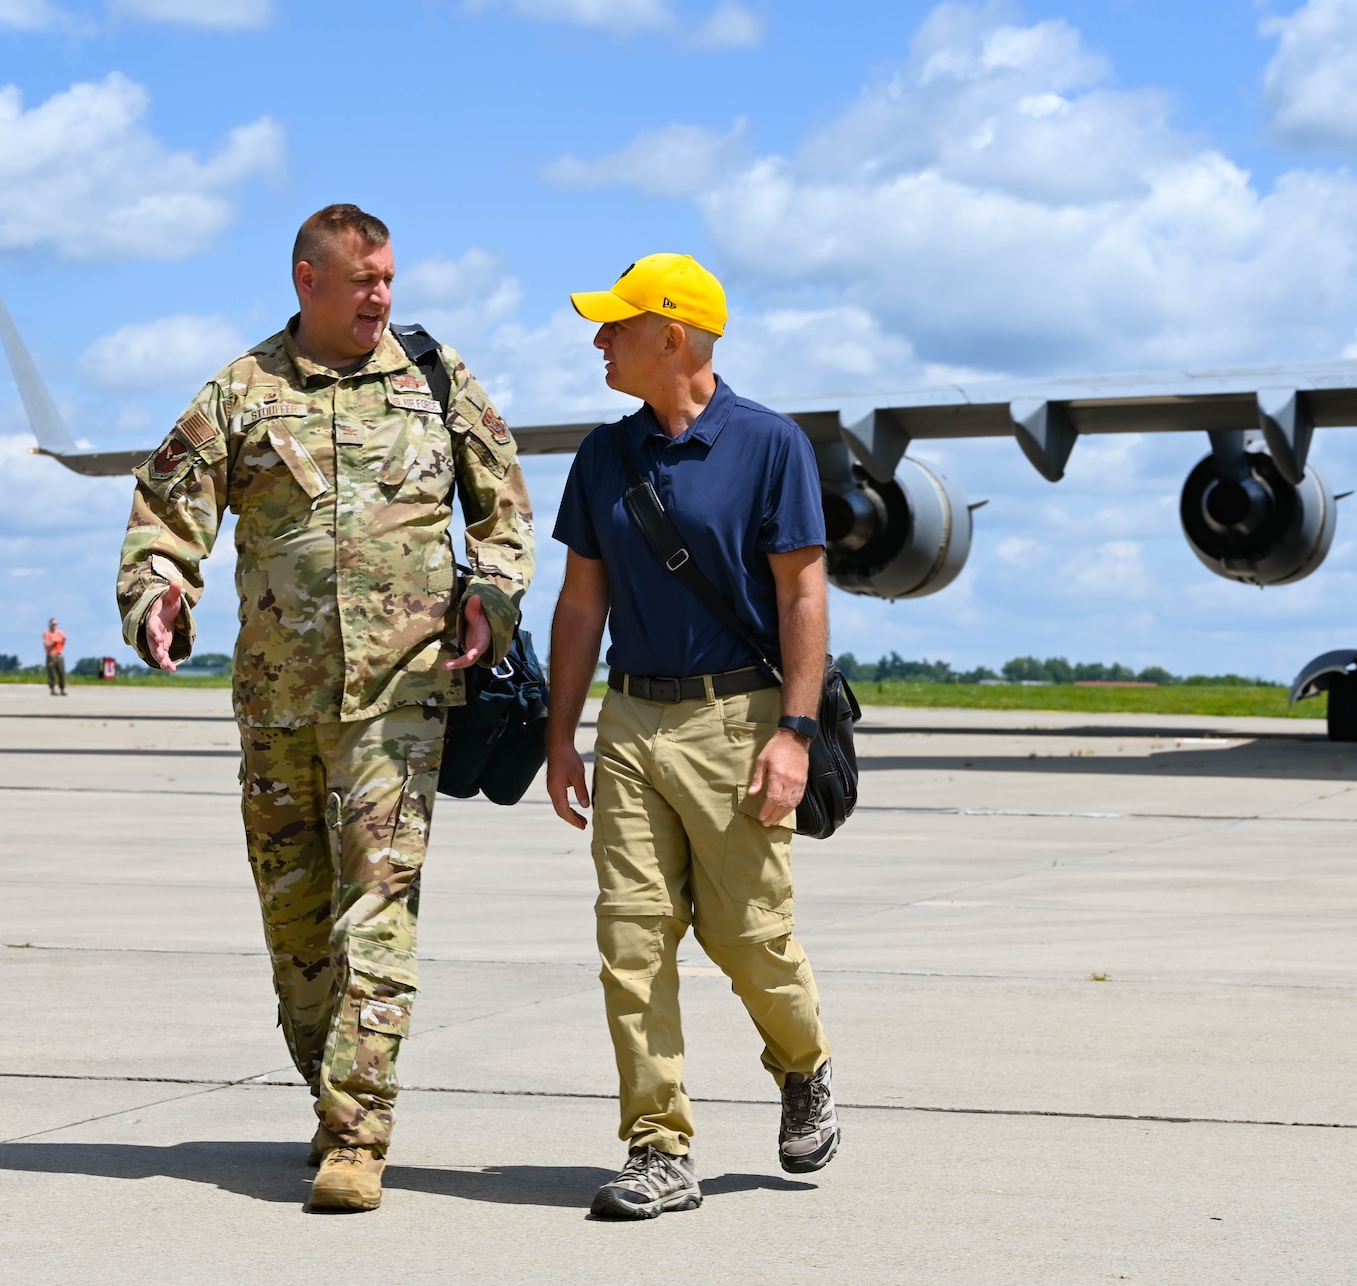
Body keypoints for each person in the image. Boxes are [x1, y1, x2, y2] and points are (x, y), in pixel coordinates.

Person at [114, 203, 534, 1212]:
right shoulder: (240, 392)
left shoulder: (434, 380)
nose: (381, 296)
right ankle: (327, 1079)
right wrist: (157, 595)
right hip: (278, 706)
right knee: (300, 938)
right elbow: (166, 513)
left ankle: (358, 1131)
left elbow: (505, 509)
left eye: (389, 277)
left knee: (375, 915)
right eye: (362, 281)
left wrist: (494, 589)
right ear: (308, 280)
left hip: (399, 703)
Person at [544, 253, 840, 1220]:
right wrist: (561, 734)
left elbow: (802, 592)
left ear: (672, 335)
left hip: (737, 719)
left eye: (615, 326)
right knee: (631, 939)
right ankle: (658, 1145)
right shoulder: (603, 457)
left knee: (749, 935)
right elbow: (581, 603)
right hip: (630, 718)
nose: (598, 341)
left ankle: (804, 1064)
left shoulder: (770, 445)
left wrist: (793, 731)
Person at [42, 619, 66, 696]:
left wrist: (63, 641)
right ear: (49, 625)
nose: (54, 626)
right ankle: (52, 689)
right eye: (53, 624)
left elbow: (63, 642)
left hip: (59, 654)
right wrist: (53, 642)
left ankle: (62, 689)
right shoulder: (46, 634)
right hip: (51, 654)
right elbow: (46, 644)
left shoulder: (60, 633)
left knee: (61, 673)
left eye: (55, 624)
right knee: (51, 673)